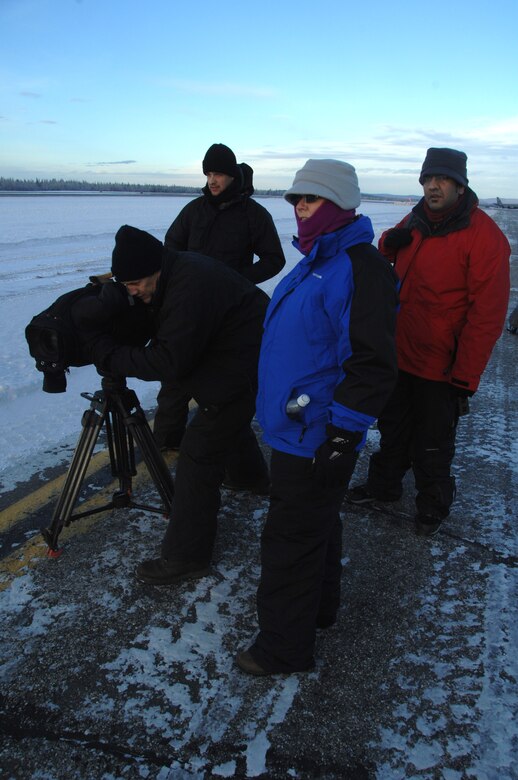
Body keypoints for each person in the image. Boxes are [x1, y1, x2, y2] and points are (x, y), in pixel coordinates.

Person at [235, 159, 399, 676]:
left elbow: (371, 362)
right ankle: (318, 611)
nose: (299, 207)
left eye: (310, 199)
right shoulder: (315, 260)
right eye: (295, 200)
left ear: (339, 204)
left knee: (290, 538)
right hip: (295, 427)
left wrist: (343, 435)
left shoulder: (358, 266)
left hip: (316, 433)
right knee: (315, 527)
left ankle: (283, 647)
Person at [85, 224, 270, 585]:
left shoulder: (190, 286)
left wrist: (113, 356)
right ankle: (252, 477)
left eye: (135, 284)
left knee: (199, 454)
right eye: (125, 286)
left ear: (154, 269)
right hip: (239, 354)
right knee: (225, 418)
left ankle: (186, 557)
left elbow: (170, 363)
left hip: (247, 360)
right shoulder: (175, 270)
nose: (132, 292)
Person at [347, 148, 511, 537]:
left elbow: (486, 317)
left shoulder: (486, 238)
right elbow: (386, 252)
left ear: (459, 185)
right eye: (427, 179)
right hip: (399, 351)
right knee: (392, 429)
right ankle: (384, 487)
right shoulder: (417, 218)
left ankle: (432, 505)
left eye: (442, 180)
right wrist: (390, 242)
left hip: (441, 364)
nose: (433, 186)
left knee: (433, 443)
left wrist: (465, 377)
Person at [154, 143, 285, 483]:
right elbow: (170, 248)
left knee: (223, 381)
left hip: (229, 312)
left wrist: (237, 281)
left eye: (220, 174)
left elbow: (274, 259)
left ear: (233, 176)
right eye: (209, 174)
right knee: (176, 370)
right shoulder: (195, 210)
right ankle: (167, 438)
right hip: (188, 306)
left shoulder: (254, 215)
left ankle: (234, 456)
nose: (213, 181)